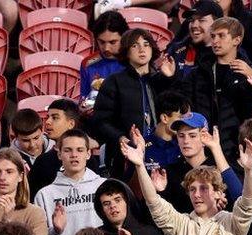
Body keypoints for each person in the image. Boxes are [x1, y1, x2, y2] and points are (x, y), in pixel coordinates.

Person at [123, 126, 252, 235]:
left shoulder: (232, 223)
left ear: (218, 193)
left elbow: (247, 204)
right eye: (192, 189)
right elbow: (153, 202)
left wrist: (249, 171)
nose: (197, 195)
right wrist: (140, 165)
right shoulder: (181, 224)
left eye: (203, 188)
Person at [168, 17, 252, 159]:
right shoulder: (197, 73)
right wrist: (170, 77)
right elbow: (180, 102)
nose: (215, 41)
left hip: (238, 152)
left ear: (236, 40)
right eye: (213, 36)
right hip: (203, 151)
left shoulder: (251, 73)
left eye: (221, 36)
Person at [92, 28, 173, 176]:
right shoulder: (114, 81)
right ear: (126, 52)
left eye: (146, 44)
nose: (142, 49)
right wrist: (121, 138)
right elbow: (100, 121)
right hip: (126, 153)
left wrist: (170, 79)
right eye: (135, 45)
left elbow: (179, 113)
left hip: (163, 151)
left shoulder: (162, 80)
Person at [33, 129, 107, 235]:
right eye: (68, 150)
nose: (74, 155)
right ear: (59, 154)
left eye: (80, 150)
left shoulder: (104, 186)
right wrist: (55, 231)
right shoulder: (44, 195)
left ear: (88, 154)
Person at [161, 113, 243, 213]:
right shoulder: (170, 171)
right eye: (181, 136)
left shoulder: (219, 166)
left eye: (192, 135)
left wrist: (225, 205)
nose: (186, 141)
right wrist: (160, 191)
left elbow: (241, 201)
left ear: (203, 136)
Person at [94, 178, 166, 235]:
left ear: (128, 203)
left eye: (117, 200)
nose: (112, 206)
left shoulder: (150, 234)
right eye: (106, 203)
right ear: (101, 210)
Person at [80, 10, 128, 112]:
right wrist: (84, 108)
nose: (106, 48)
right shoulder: (88, 63)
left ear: (124, 38)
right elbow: (83, 98)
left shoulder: (134, 61)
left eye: (113, 42)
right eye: (101, 42)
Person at [165, 0, 222, 78]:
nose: (194, 25)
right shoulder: (177, 50)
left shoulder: (228, 53)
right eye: (191, 20)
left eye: (201, 20)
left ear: (217, 24)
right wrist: (167, 77)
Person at [145, 91, 190, 169]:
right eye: (181, 117)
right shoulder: (142, 146)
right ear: (165, 118)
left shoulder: (187, 144)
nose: (186, 123)